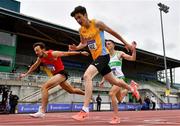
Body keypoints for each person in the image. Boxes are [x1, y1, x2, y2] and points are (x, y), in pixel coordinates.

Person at [69, 6, 140, 122]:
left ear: (85, 15)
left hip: (103, 56)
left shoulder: (97, 24)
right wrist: (76, 47)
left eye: (79, 17)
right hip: (97, 58)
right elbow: (83, 43)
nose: (78, 20)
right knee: (115, 81)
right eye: (76, 19)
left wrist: (126, 43)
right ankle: (132, 89)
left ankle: (85, 110)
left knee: (87, 76)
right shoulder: (81, 30)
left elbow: (113, 32)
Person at [19, 42, 89, 118]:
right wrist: (26, 74)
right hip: (56, 75)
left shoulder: (53, 53)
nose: (36, 53)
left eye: (37, 50)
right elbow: (34, 66)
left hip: (62, 74)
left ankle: (42, 111)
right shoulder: (40, 58)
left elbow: (66, 54)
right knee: (71, 90)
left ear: (43, 49)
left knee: (44, 87)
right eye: (35, 51)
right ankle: (88, 94)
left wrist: (81, 52)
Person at [99, 40, 138, 124]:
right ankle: (131, 86)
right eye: (106, 44)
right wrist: (103, 80)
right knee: (119, 99)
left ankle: (116, 117)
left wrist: (134, 50)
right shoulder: (106, 57)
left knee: (111, 94)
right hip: (112, 81)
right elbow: (107, 71)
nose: (107, 45)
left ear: (113, 45)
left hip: (120, 78)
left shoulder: (119, 53)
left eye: (109, 44)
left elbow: (132, 58)